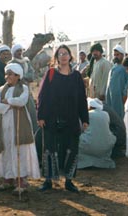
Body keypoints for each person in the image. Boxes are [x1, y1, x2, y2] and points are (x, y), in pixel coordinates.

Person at [37, 44, 89, 193]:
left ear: (70, 56)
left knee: (71, 149)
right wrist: (40, 116)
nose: (63, 56)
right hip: (51, 118)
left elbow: (82, 99)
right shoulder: (51, 73)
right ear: (56, 57)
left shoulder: (76, 76)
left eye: (66, 53)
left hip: (71, 118)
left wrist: (84, 119)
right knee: (49, 149)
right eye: (60, 54)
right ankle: (48, 181)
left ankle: (69, 181)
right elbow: (42, 96)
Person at [0, 63, 40, 193]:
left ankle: (21, 180)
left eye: (10, 74)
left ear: (18, 76)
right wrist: (11, 104)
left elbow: (22, 101)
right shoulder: (0, 90)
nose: (7, 76)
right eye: (7, 74)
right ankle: (7, 178)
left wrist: (7, 101)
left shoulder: (23, 88)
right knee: (6, 149)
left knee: (19, 150)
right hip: (4, 125)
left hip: (20, 123)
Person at [78, 98, 116, 169]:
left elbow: (81, 129)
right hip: (105, 147)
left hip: (88, 146)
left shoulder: (87, 115)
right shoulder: (106, 114)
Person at [9, 44, 38, 132]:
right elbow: (13, 78)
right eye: (17, 51)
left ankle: (34, 136)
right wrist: (21, 78)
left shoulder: (26, 62)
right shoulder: (11, 64)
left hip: (27, 91)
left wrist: (22, 77)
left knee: (32, 114)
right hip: (16, 92)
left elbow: (31, 76)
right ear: (13, 52)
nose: (19, 52)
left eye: (20, 50)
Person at [105, 44, 128, 119]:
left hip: (120, 97)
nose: (116, 56)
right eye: (115, 55)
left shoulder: (125, 67)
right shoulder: (114, 66)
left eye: (118, 55)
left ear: (122, 55)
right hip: (111, 98)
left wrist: (125, 94)